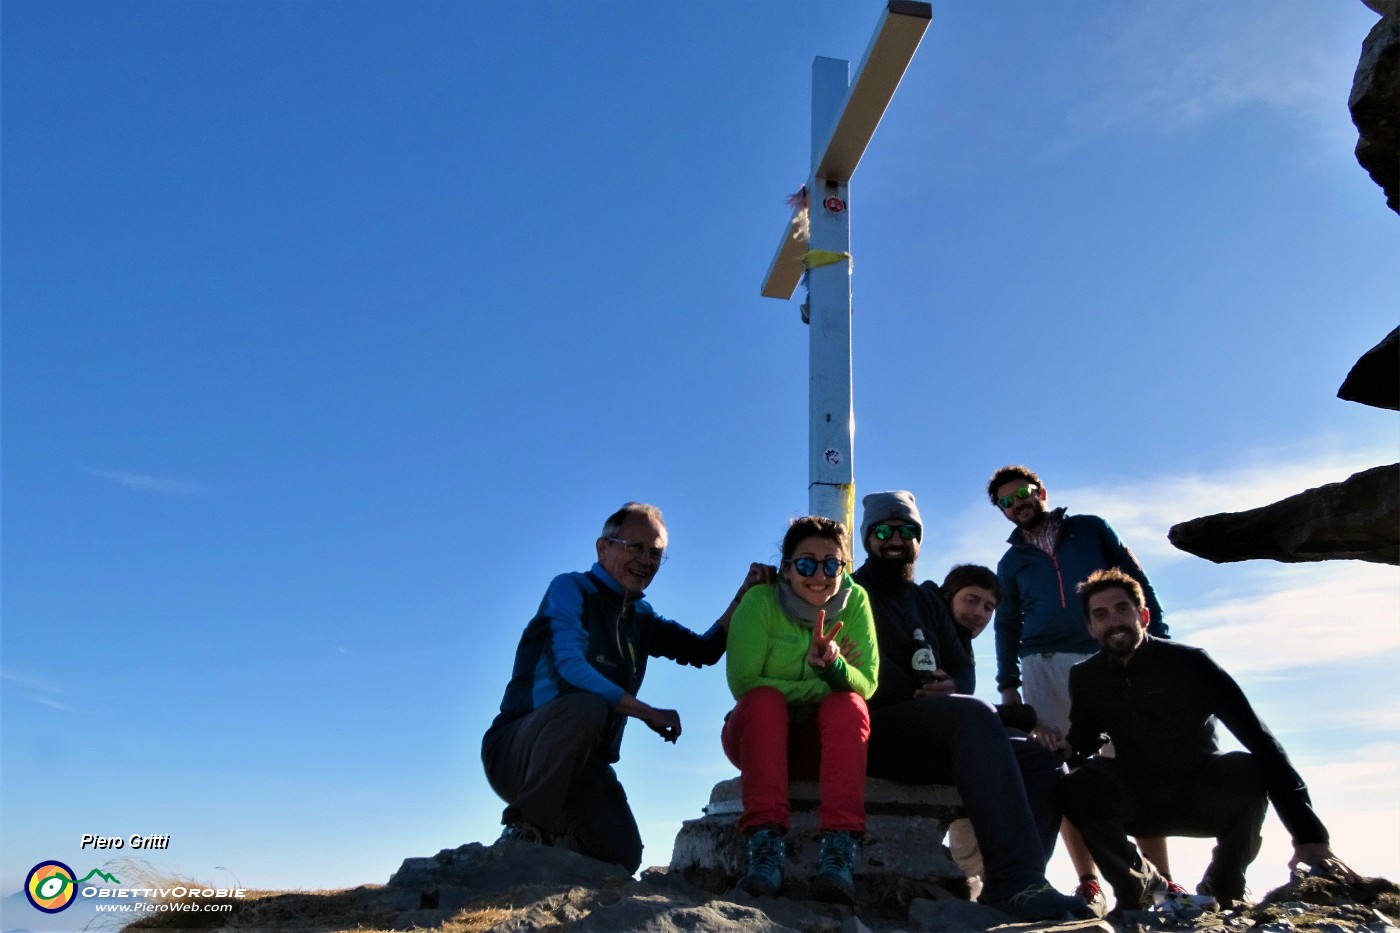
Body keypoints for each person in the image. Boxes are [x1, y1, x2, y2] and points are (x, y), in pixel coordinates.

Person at [482, 502, 771, 873]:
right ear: (603, 548)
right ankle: (523, 836)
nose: (646, 560)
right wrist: (645, 711)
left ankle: (552, 851)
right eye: (635, 547)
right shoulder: (570, 589)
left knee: (621, 855)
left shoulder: (642, 616)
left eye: (656, 554)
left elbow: (703, 649)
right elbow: (570, 668)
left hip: (586, 768)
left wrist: (745, 592)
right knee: (585, 706)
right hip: (517, 751)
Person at [1058, 569, 1359, 913]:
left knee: (1246, 766)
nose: (1114, 621)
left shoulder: (1191, 663)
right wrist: (1061, 748)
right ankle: (1137, 889)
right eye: (1101, 614)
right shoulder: (1085, 676)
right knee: (1076, 783)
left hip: (1201, 796)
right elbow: (1083, 738)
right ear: (1090, 627)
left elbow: (1261, 739)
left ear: (1143, 615)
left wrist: (1310, 836)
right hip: (1139, 801)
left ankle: (1225, 884)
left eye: (1122, 609)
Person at [852, 491, 1089, 921]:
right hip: (878, 730)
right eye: (884, 530)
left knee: (1041, 760)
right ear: (868, 537)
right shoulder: (852, 592)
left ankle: (1018, 881)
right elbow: (858, 669)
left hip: (938, 735)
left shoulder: (926, 600)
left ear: (919, 541)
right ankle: (1018, 878)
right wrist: (924, 691)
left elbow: (960, 668)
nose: (896, 540)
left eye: (908, 531)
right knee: (974, 714)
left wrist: (952, 685)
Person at [988, 465, 1170, 911]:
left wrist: (1158, 637)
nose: (1018, 504)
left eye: (1023, 494)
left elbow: (1135, 580)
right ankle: (1089, 881)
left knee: (1132, 761)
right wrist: (1008, 683)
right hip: (1042, 665)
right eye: (1006, 502)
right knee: (1062, 768)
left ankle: (1162, 879)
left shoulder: (1091, 529)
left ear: (1041, 491)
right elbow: (1007, 623)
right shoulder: (1011, 563)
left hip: (1109, 656)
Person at [722, 515, 877, 905]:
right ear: (788, 568)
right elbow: (743, 682)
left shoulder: (856, 601)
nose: (819, 576)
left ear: (844, 568)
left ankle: (838, 852)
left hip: (820, 746)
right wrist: (820, 679)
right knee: (763, 702)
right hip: (756, 737)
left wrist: (836, 668)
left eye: (831, 564)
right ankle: (765, 848)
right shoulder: (760, 601)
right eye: (806, 564)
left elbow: (868, 683)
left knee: (848, 704)